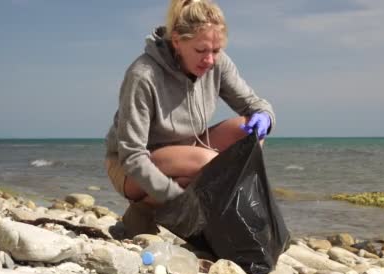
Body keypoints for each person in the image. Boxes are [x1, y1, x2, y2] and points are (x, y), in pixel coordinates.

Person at [104, 0, 275, 227]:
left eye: (216, 50)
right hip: (131, 165)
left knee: (248, 135)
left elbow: (254, 104)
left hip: (188, 148)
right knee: (207, 163)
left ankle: (217, 220)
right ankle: (143, 212)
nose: (210, 60)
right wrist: (177, 199)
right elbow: (132, 156)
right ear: (177, 41)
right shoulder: (143, 75)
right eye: (201, 50)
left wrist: (265, 116)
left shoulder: (217, 64)